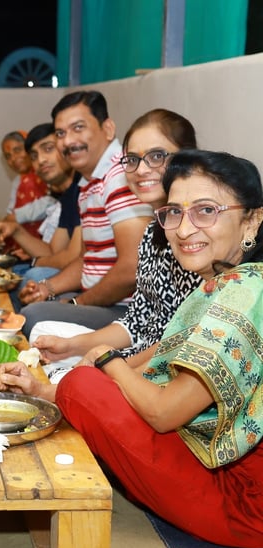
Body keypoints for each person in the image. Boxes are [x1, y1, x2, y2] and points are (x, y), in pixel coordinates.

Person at [0, 149, 263, 548]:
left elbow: (164, 413)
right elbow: (161, 356)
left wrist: (108, 361)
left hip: (243, 505)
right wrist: (44, 391)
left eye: (206, 211)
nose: (184, 229)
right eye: (174, 212)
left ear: (252, 220)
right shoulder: (228, 281)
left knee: (85, 387)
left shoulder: (244, 294)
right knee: (85, 385)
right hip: (217, 466)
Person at [32, 109, 203, 376]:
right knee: (43, 336)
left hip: (168, 369)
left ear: (188, 158)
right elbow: (135, 322)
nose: (141, 169)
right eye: (133, 159)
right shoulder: (152, 231)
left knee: (55, 363)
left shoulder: (195, 232)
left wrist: (107, 367)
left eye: (157, 156)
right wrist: (70, 346)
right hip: (137, 351)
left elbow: (181, 341)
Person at [19, 91, 154, 337]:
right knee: (31, 291)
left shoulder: (120, 176)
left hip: (128, 311)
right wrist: (46, 288)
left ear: (108, 129)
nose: (68, 141)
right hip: (99, 300)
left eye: (78, 128)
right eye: (61, 133)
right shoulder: (88, 183)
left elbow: (132, 269)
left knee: (33, 316)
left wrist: (77, 303)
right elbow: (87, 258)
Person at [0, 123, 81, 299]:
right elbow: (53, 251)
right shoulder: (68, 196)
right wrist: (16, 230)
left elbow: (72, 257)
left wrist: (35, 261)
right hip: (65, 271)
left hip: (91, 283)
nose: (41, 160)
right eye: (34, 156)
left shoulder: (84, 188)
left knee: (32, 276)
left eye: (48, 149)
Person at [0, 129, 51, 242]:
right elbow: (10, 211)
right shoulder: (18, 181)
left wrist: (17, 216)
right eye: (8, 156)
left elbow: (53, 202)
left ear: (30, 149)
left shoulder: (48, 171)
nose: (13, 158)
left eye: (17, 150)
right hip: (22, 241)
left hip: (47, 240)